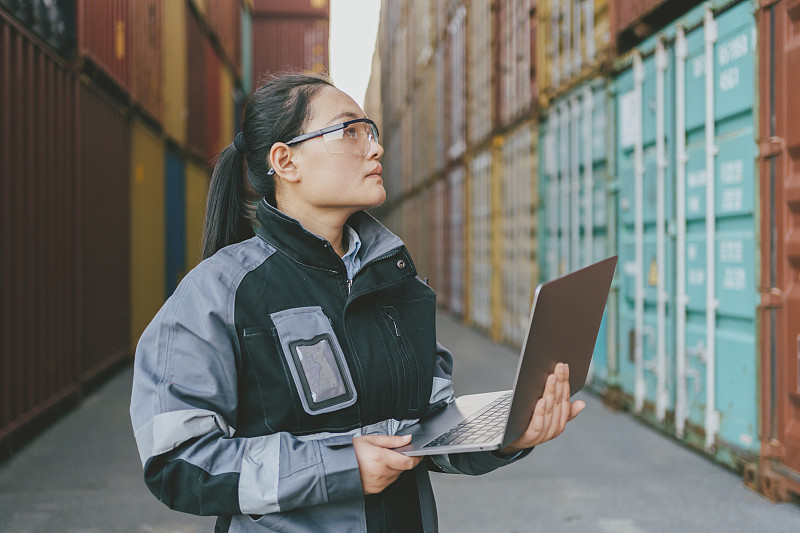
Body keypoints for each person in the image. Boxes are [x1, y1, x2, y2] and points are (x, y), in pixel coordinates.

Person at [130, 72, 585, 532]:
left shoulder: (398, 281)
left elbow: (425, 432)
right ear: (286, 162)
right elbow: (177, 463)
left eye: (370, 131)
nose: (374, 148)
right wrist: (340, 468)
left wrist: (505, 436)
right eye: (349, 132)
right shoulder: (218, 293)